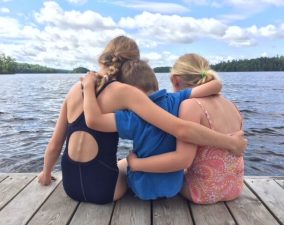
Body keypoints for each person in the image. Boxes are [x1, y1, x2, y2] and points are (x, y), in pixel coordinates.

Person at [38, 35, 246, 205]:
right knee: (128, 163)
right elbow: (180, 129)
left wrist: (46, 174)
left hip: (70, 186)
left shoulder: (76, 88)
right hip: (103, 190)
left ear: (104, 58)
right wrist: (229, 142)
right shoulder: (126, 92)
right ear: (133, 64)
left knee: (124, 161)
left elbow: (55, 144)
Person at [82, 59, 237, 200]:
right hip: (174, 188)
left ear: (128, 93)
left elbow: (94, 121)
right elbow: (216, 86)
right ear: (154, 82)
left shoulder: (131, 117)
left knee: (124, 162)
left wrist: (89, 88)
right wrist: (206, 75)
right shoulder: (178, 98)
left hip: (141, 188)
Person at [127, 53, 244, 204]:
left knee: (127, 163)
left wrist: (136, 164)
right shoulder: (232, 105)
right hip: (234, 188)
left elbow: (183, 160)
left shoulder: (190, 106)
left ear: (175, 80)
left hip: (202, 192)